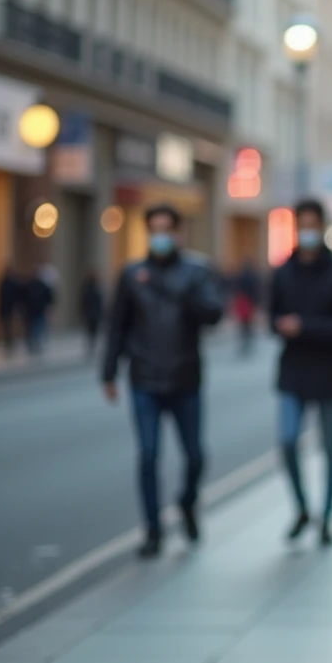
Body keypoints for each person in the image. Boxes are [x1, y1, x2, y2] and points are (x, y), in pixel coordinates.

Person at [102, 203, 225, 558]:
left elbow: (214, 314)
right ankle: (153, 530)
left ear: (177, 233)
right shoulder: (131, 274)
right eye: (153, 230)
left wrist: (185, 295)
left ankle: (187, 501)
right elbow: (117, 327)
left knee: (195, 456)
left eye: (165, 230)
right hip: (144, 378)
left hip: (186, 378)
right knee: (149, 455)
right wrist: (108, 373)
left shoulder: (197, 272)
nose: (160, 237)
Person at [269, 198, 332, 546]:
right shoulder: (283, 272)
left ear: (321, 227)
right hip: (292, 372)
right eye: (301, 225)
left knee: (329, 447)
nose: (306, 231)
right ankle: (302, 508)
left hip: (328, 372)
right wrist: (282, 326)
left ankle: (328, 516)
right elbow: (271, 320)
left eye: (312, 224)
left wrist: (305, 326)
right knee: (288, 441)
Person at [21, 265, 54, 356]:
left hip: (38, 310)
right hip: (32, 311)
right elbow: (23, 297)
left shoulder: (41, 285)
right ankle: (32, 344)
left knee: (37, 328)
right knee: (32, 328)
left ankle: (36, 344)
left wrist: (48, 307)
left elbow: (49, 297)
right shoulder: (29, 285)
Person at [233, 259, 262, 357]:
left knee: (244, 324)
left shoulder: (241, 276)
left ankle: (245, 338)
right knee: (248, 323)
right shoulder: (253, 276)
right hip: (249, 302)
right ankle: (248, 338)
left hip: (244, 301)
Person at [0, 266, 22, 355]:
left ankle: (12, 342)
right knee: (7, 327)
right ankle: (8, 343)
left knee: (11, 326)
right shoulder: (4, 282)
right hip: (6, 308)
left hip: (11, 308)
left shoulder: (13, 283)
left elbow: (18, 296)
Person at [81, 272, 105, 358]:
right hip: (95, 314)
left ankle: (91, 346)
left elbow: (83, 303)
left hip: (89, 314)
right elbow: (100, 303)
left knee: (90, 331)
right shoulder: (96, 290)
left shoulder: (86, 290)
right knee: (94, 331)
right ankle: (92, 345)